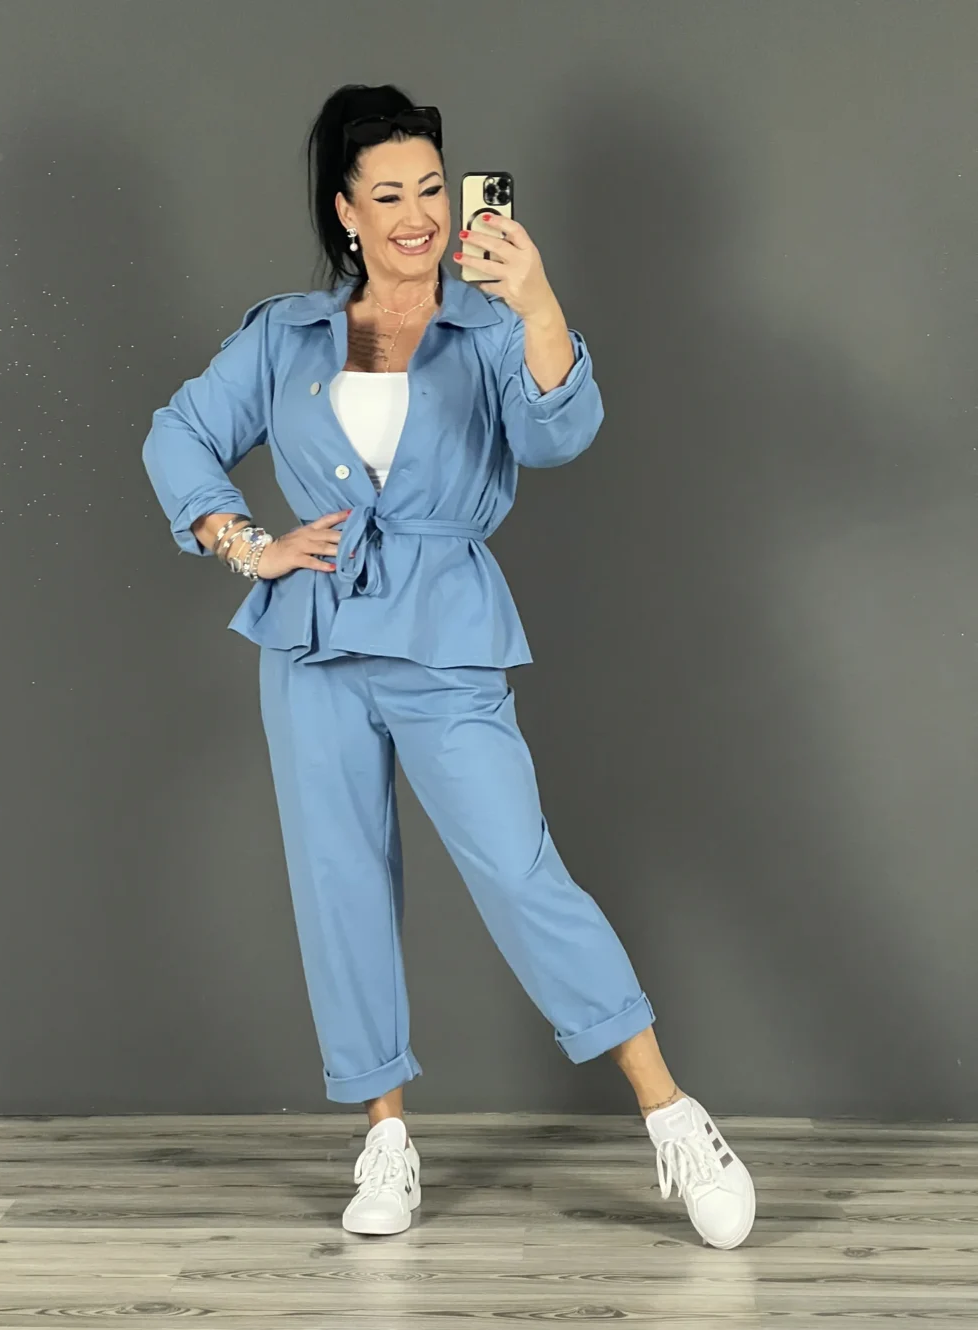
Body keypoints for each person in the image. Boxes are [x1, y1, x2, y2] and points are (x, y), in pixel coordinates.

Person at [141, 83, 756, 1249]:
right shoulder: (284, 334)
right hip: (313, 638)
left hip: (445, 631)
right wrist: (245, 544)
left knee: (519, 870)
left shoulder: (488, 324)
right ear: (346, 211)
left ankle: (672, 1114)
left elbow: (560, 432)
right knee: (340, 881)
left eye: (432, 187)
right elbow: (178, 432)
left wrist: (537, 298)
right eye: (389, 194)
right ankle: (385, 1139)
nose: (418, 213)